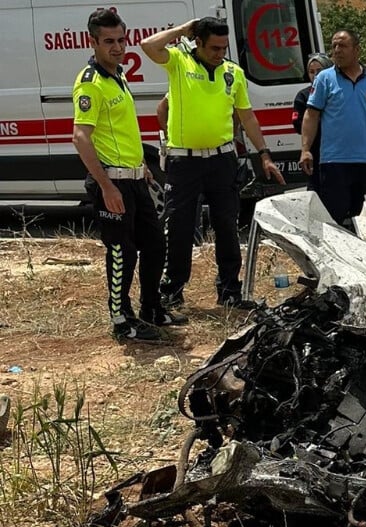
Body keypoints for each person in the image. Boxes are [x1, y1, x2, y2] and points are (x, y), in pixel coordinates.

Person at [141, 17, 283, 310]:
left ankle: (230, 290)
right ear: (199, 43)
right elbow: (147, 46)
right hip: (184, 161)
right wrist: (183, 29)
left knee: (227, 226)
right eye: (214, 48)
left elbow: (247, 117)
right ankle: (173, 289)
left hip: (222, 160)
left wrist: (264, 154)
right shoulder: (179, 62)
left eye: (224, 47)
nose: (220, 54)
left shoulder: (234, 73)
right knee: (179, 226)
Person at [72, 9, 177, 341]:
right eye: (108, 42)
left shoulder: (118, 76)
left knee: (155, 245)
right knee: (122, 251)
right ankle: (121, 320)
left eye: (121, 40)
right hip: (112, 181)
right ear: (93, 42)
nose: (117, 47)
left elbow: (118, 130)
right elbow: (81, 136)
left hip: (134, 178)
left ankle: (150, 308)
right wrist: (106, 186)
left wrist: (141, 167)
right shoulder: (90, 84)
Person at [299, 30, 366, 228]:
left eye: (342, 46)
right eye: (333, 46)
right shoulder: (324, 78)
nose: (336, 51)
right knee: (334, 220)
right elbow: (311, 115)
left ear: (356, 50)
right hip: (334, 162)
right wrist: (305, 150)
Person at [293, 53, 333, 193]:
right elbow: (298, 125)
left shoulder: (337, 91)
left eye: (319, 71)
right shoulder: (303, 96)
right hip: (315, 152)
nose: (315, 75)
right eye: (311, 72)